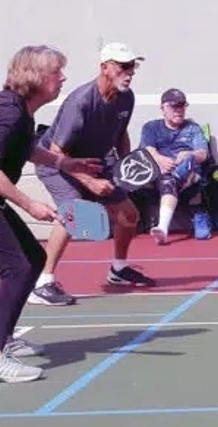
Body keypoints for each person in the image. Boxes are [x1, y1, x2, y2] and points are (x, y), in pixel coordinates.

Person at [0, 46, 102, 381]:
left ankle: (6, 338)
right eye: (57, 72)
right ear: (37, 78)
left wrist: (63, 162)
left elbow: (24, 147)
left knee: (30, 261)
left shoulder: (21, 112)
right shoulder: (10, 113)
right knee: (19, 266)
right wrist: (29, 204)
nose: (63, 78)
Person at [29, 41, 156, 307]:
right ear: (105, 67)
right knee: (73, 212)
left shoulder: (126, 97)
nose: (130, 72)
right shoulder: (82, 101)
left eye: (132, 66)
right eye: (123, 66)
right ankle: (43, 282)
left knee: (129, 215)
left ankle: (118, 270)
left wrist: (124, 171)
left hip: (97, 162)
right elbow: (56, 151)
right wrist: (90, 182)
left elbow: (121, 135)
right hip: (56, 163)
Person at [138, 87, 212, 244]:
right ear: (162, 108)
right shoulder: (151, 127)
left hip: (188, 173)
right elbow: (148, 149)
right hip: (161, 172)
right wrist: (160, 159)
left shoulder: (193, 128)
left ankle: (163, 228)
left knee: (185, 163)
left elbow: (203, 154)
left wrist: (189, 154)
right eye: (174, 106)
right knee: (162, 176)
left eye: (182, 106)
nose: (179, 110)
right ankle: (161, 228)